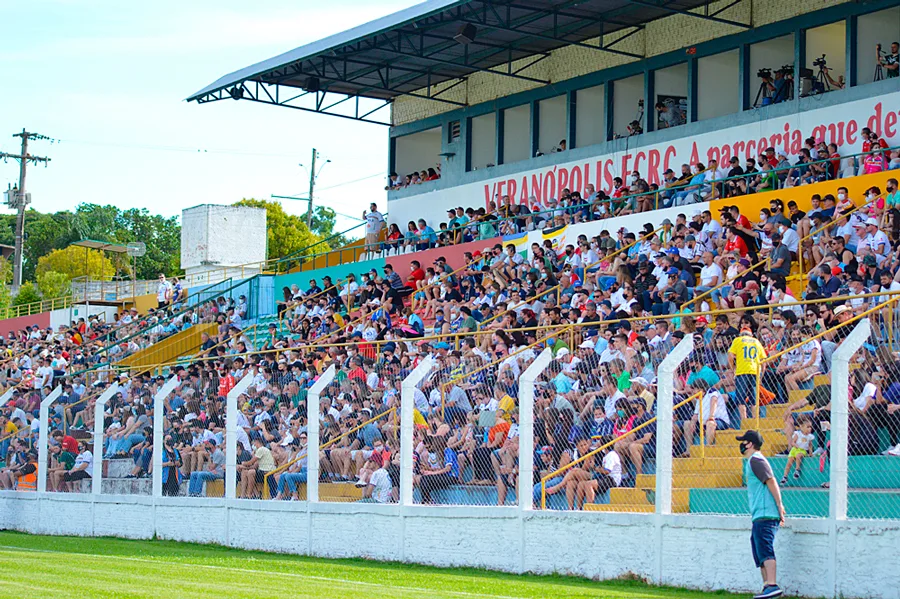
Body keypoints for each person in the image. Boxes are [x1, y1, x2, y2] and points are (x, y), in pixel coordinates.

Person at [736, 430, 785, 599]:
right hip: (759, 514)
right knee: (759, 550)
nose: (741, 444)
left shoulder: (756, 460)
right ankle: (766, 587)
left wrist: (779, 505)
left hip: (766, 513)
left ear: (749, 444)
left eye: (743, 441)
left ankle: (772, 584)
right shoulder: (752, 461)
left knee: (765, 547)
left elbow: (770, 480)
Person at [728, 326, 767, 423]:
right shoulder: (756, 342)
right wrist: (761, 374)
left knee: (741, 397)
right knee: (753, 397)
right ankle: (755, 419)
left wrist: (733, 369)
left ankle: (744, 419)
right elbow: (763, 360)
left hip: (742, 371)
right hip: (754, 371)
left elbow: (731, 356)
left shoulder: (737, 340)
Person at [781, 416, 813, 485]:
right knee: (789, 462)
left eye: (810, 427)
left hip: (802, 450)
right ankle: (785, 476)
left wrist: (810, 452)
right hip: (795, 449)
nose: (809, 429)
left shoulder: (810, 436)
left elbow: (810, 445)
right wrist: (795, 445)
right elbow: (793, 442)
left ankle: (797, 470)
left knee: (799, 456)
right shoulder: (798, 434)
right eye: (807, 427)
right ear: (801, 427)